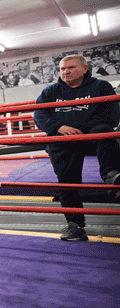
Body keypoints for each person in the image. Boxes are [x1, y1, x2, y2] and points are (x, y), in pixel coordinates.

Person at [33, 54, 120, 241]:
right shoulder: (50, 91)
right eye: (63, 69)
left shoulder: (100, 86)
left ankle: (112, 175)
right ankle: (75, 226)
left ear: (85, 69)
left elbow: (111, 115)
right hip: (62, 141)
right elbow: (39, 114)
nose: (66, 72)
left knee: (104, 131)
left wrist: (81, 130)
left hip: (90, 137)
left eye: (71, 67)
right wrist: (59, 127)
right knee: (67, 182)